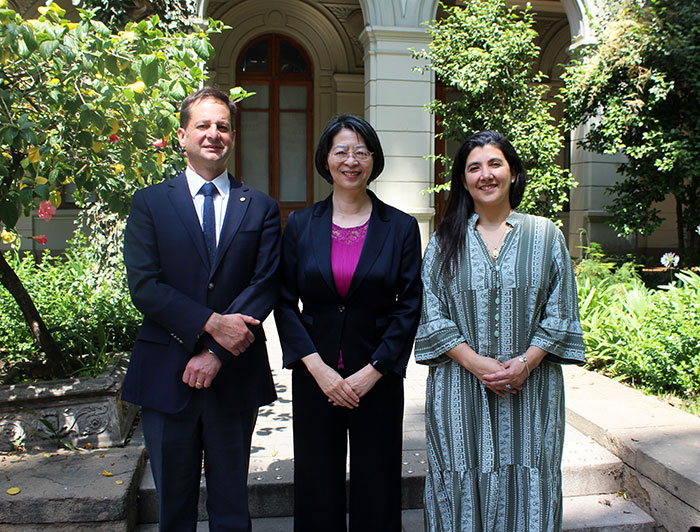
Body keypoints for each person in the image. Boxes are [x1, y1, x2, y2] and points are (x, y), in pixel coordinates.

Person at [122, 87, 281, 532]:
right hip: (165, 371)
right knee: (174, 506)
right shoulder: (150, 203)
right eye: (203, 125)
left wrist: (214, 353)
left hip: (234, 374)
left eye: (223, 126)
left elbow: (264, 283)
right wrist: (209, 325)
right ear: (182, 136)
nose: (214, 134)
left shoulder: (262, 207)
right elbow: (145, 286)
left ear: (233, 136)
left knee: (232, 506)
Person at [415, 130, 585, 532]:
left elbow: (561, 311)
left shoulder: (545, 235)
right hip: (458, 389)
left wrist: (526, 362)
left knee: (532, 479)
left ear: (512, 173)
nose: (485, 175)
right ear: (463, 179)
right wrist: (477, 364)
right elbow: (432, 314)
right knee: (459, 477)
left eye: (495, 164)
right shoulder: (444, 241)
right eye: (474, 167)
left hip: (532, 389)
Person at [274, 115, 422, 532]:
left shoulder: (402, 228)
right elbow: (284, 303)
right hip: (315, 376)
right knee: (316, 484)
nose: (351, 160)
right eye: (341, 151)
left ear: (373, 160)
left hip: (376, 376)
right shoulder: (302, 225)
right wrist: (316, 367)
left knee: (378, 485)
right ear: (326, 159)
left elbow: (409, 306)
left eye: (361, 151)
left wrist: (374, 371)